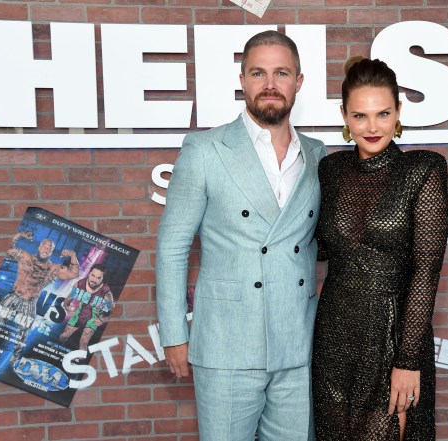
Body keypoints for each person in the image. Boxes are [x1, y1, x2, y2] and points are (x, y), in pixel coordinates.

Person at [156, 30, 326, 441]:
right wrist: (175, 334)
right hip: (227, 342)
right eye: (258, 73)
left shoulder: (319, 154)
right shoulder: (205, 150)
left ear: (298, 82)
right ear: (242, 80)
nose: (270, 84)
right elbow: (173, 248)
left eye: (281, 73)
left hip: (298, 343)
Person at [312, 57, 448, 440]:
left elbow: (426, 270)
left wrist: (407, 361)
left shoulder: (424, 170)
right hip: (334, 335)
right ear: (343, 115)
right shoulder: (331, 170)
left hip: (393, 336)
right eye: (360, 116)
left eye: (383, 113)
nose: (372, 127)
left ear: (399, 111)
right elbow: (320, 248)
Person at [0, 231, 79, 363]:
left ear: (52, 252)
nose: (46, 249)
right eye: (44, 245)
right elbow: (6, 248)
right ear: (39, 246)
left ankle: (15, 357)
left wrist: (73, 255)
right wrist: (19, 235)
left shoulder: (53, 268)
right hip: (14, 295)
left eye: (50, 248)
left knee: (23, 332)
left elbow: (74, 274)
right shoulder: (24, 257)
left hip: (30, 302)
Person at [60, 264, 115, 353]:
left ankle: (80, 362)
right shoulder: (79, 284)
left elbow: (113, 313)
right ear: (89, 274)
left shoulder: (106, 294)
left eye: (98, 278)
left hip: (93, 318)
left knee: (83, 342)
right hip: (79, 314)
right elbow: (67, 301)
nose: (94, 280)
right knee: (63, 336)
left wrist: (103, 320)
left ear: (102, 279)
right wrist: (68, 309)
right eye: (93, 275)